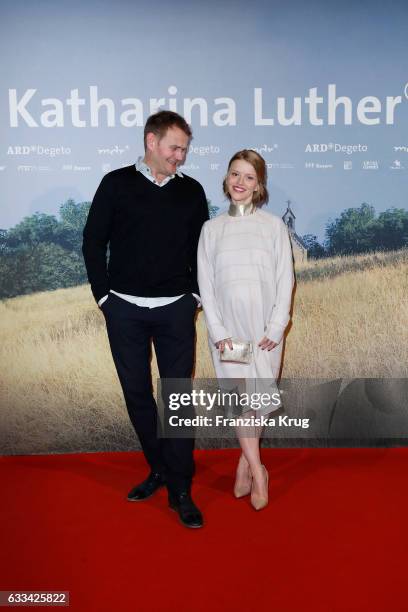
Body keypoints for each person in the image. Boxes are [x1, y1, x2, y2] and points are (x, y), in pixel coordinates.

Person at [82, 110, 209, 528]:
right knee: (137, 394)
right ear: (151, 142)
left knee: (176, 398)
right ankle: (158, 468)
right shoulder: (115, 184)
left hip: (175, 310)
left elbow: (201, 252)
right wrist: (105, 298)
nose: (181, 157)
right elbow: (93, 241)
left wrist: (193, 297)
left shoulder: (192, 192)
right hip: (124, 311)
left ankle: (181, 489)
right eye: (175, 148)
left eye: (185, 150)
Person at [197, 149, 294, 510]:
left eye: (248, 177)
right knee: (243, 403)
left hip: (265, 333)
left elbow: (286, 279)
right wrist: (219, 331)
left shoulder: (273, 227)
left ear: (259, 185)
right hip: (229, 336)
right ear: (226, 180)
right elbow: (206, 285)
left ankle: (243, 462)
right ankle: (258, 470)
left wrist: (277, 324)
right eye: (234, 174)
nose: (240, 182)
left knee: (260, 400)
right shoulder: (211, 230)